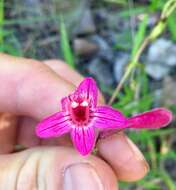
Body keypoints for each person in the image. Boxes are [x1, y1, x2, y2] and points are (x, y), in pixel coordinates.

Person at [0, 53, 149, 190]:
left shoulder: (93, 116)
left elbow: (91, 88)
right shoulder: (68, 120)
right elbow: (44, 129)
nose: (79, 106)